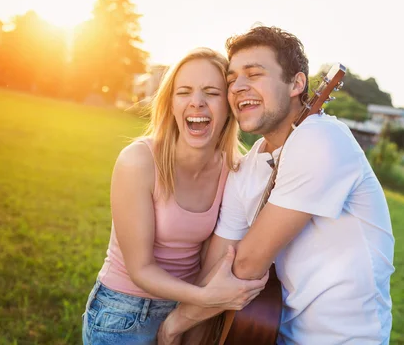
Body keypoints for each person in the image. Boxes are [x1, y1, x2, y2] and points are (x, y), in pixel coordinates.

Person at [159, 26, 395, 345]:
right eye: (231, 80)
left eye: (254, 74)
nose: (238, 87)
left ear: (297, 84)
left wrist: (175, 324)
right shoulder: (247, 165)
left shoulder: (322, 139)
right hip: (271, 334)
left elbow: (245, 265)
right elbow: (215, 265)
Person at [82, 48, 269, 345]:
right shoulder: (138, 161)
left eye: (211, 92)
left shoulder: (233, 170)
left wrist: (193, 312)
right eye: (184, 92)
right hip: (125, 313)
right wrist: (206, 298)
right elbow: (140, 269)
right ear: (170, 103)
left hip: (188, 311)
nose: (197, 102)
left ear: (230, 105)